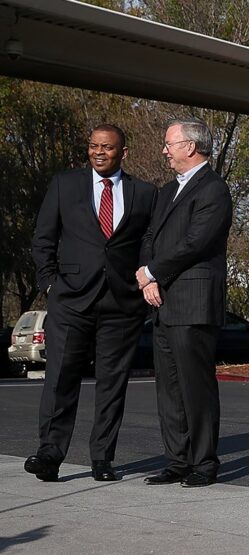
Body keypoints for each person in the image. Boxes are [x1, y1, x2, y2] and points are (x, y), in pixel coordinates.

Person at [25, 124, 158, 483]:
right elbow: (43, 239)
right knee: (59, 379)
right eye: (93, 146)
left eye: (107, 147)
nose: (99, 152)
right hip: (70, 300)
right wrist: (50, 284)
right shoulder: (64, 185)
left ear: (123, 153)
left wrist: (143, 279)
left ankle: (102, 458)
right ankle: (49, 454)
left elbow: (148, 242)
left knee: (111, 384)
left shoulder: (145, 193)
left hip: (122, 304)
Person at [137, 117, 232, 488]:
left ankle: (203, 463)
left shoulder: (214, 190)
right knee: (169, 388)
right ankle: (177, 461)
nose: (164, 150)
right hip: (162, 301)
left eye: (169, 144)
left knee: (196, 386)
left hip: (193, 301)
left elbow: (196, 242)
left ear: (190, 146)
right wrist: (148, 277)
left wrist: (153, 272)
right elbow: (150, 236)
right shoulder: (166, 192)